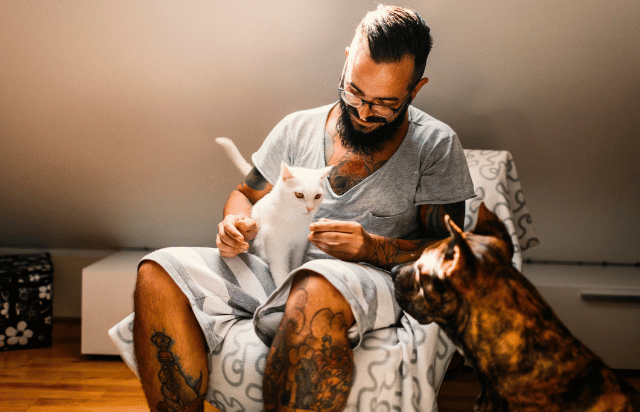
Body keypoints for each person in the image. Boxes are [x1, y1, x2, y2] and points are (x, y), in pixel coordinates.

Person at [131, 5, 475, 412]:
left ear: (415, 90)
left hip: (371, 279)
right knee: (156, 273)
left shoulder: (436, 145)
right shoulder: (296, 128)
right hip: (276, 270)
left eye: (384, 104)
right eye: (354, 92)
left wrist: (374, 248)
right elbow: (246, 193)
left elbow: (450, 250)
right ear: (347, 62)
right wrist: (234, 223)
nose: (363, 113)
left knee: (315, 287)